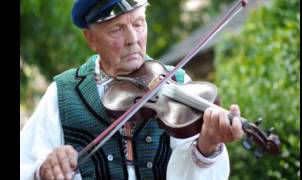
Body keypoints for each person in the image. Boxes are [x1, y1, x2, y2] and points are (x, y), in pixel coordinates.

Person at [20, 0, 244, 179]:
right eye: (117, 29)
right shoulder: (62, 93)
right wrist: (43, 170)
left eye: (138, 24)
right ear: (91, 38)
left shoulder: (177, 81)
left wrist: (207, 147)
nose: (133, 39)